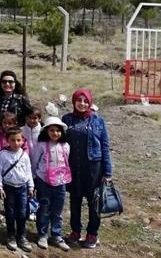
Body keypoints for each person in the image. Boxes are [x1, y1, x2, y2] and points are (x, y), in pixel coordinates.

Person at [62, 88, 113, 249]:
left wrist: (107, 172)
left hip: (93, 168)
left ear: (90, 102)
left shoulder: (98, 120)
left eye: (86, 101)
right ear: (74, 101)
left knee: (94, 202)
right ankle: (75, 231)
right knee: (75, 200)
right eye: (79, 100)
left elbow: (105, 146)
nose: (82, 104)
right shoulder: (67, 119)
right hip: (73, 166)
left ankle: (92, 234)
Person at [30, 116, 72, 251]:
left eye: (58, 131)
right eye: (52, 130)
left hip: (61, 183)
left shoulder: (65, 146)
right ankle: (42, 235)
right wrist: (34, 178)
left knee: (57, 211)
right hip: (44, 182)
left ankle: (56, 235)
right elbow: (34, 162)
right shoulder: (41, 145)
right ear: (46, 131)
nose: (55, 133)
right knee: (44, 209)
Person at [0, 127, 34, 252]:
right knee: (10, 212)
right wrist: (0, 186)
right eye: (13, 140)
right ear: (8, 141)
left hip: (22, 188)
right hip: (9, 188)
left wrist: (30, 186)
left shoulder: (24, 155)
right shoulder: (3, 154)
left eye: (18, 140)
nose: (16, 143)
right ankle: (11, 236)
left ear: (22, 140)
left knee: (22, 213)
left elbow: (28, 171)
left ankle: (21, 236)